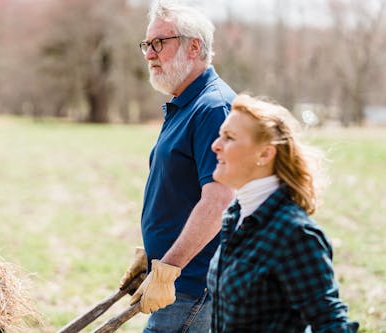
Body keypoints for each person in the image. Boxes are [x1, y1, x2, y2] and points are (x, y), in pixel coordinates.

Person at [118, 1, 236, 332]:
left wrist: (168, 267)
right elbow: (180, 191)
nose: (149, 54)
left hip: (192, 288)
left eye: (159, 43)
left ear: (194, 46)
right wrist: (153, 254)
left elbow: (219, 201)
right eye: (146, 45)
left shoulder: (213, 109)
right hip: (178, 281)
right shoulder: (185, 103)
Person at [207, 94, 359, 332]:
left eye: (230, 137)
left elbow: (332, 324)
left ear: (265, 154)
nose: (216, 145)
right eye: (220, 135)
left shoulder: (294, 234)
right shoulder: (235, 217)